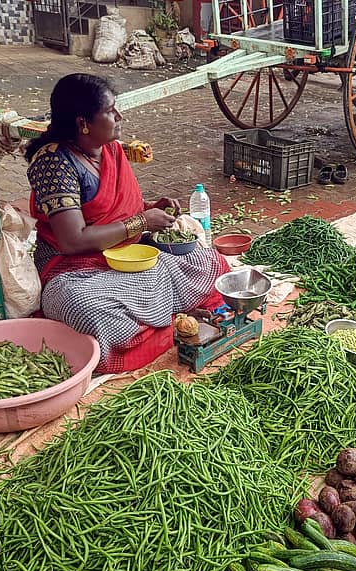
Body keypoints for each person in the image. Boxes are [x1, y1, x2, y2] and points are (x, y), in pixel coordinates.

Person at [24, 73, 229, 373]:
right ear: (83, 123)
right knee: (83, 309)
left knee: (208, 261)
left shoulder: (110, 149)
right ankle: (169, 325)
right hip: (74, 269)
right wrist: (142, 221)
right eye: (110, 111)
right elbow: (73, 240)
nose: (119, 116)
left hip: (125, 256)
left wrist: (150, 209)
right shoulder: (54, 163)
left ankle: (166, 318)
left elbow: (116, 210)